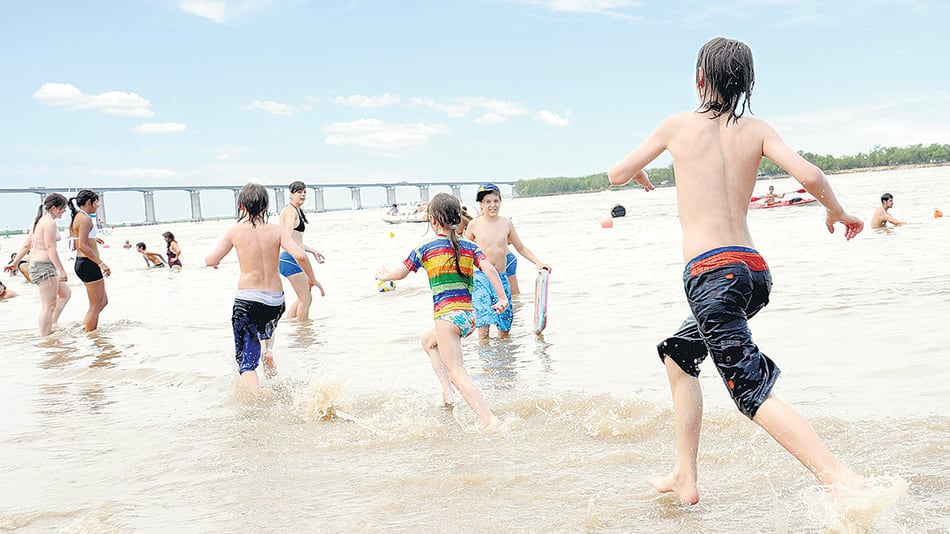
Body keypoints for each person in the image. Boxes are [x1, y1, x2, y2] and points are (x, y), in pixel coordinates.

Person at [607, 37, 866, 505]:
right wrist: (838, 212)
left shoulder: (677, 125)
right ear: (744, 82)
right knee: (677, 354)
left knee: (749, 391)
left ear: (700, 77)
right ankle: (685, 475)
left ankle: (838, 476)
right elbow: (809, 176)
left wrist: (641, 172)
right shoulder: (758, 129)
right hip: (752, 274)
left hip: (711, 276)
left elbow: (616, 174)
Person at [376, 193, 506, 432]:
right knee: (427, 342)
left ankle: (490, 421)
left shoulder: (425, 247)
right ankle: (447, 394)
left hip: (447, 318)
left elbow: (400, 273)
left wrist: (383, 274)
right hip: (468, 317)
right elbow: (489, 268)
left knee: (458, 372)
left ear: (432, 220)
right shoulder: (470, 246)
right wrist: (502, 297)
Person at [205, 182, 318, 396]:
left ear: (240, 206)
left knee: (246, 360)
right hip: (275, 301)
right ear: (266, 207)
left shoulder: (235, 232)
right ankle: (268, 352)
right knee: (265, 332)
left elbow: (212, 259)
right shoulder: (276, 231)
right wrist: (313, 280)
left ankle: (258, 401)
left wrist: (211, 261)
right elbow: (301, 255)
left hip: (248, 299)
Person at [464, 183, 551, 341]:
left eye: (496, 201)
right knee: (484, 320)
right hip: (481, 278)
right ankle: (487, 362)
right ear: (481, 204)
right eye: (488, 202)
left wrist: (538, 262)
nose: (493, 205)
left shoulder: (506, 224)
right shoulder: (474, 225)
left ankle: (505, 357)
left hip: (501, 277)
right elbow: (463, 250)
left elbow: (521, 247)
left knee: (505, 323)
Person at [4, 194, 72, 335]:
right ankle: (45, 337)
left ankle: (52, 324)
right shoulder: (49, 223)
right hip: (43, 267)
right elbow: (50, 247)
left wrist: (15, 262)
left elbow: (26, 245)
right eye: (62, 208)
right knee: (48, 305)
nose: (64, 211)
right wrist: (61, 270)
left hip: (38, 265)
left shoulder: (38, 221)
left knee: (65, 293)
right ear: (53, 208)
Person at [278, 181, 326, 321]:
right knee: (305, 298)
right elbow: (286, 236)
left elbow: (296, 240)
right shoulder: (289, 210)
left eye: (304, 192)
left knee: (304, 296)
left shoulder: (296, 210)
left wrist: (312, 251)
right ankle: (304, 333)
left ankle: (291, 323)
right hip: (290, 258)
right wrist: (299, 255)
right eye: (299, 192)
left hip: (292, 257)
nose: (303, 194)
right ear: (291, 194)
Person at [69, 189, 110, 332]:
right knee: (95, 305)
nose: (97, 205)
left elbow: (76, 241)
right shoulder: (85, 219)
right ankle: (90, 336)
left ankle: (86, 327)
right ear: (88, 202)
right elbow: (82, 245)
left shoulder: (78, 216)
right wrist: (101, 263)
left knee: (103, 302)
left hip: (83, 263)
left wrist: (93, 239)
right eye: (96, 202)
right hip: (88, 263)